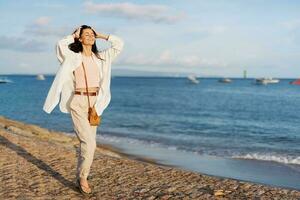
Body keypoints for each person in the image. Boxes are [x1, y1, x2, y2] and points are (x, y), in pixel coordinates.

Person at [42, 25, 124, 194]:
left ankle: (81, 174)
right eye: (86, 34)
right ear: (79, 38)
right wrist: (72, 35)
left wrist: (101, 35)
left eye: (91, 34)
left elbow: (119, 44)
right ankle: (83, 177)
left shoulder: (101, 57)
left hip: (95, 103)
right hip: (78, 101)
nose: (90, 36)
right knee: (89, 143)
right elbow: (60, 45)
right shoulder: (73, 56)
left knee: (87, 144)